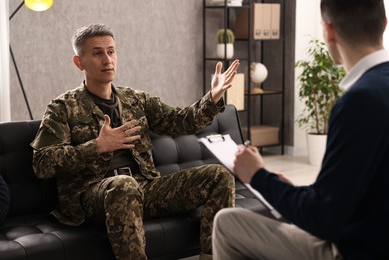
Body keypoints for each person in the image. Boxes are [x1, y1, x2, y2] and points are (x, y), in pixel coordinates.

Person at [31, 23, 239, 260]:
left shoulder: (136, 99)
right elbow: (42, 163)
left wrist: (212, 98)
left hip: (144, 187)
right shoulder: (62, 108)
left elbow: (181, 122)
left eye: (111, 51)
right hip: (91, 198)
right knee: (122, 185)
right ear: (79, 62)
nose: (107, 59)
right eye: (97, 53)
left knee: (219, 176)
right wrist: (96, 147)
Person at [212, 0, 389, 259]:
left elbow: (322, 219)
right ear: (384, 25)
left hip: (357, 250)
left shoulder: (359, 101)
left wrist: (258, 176)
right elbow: (356, 191)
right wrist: (299, 193)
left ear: (328, 31)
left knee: (227, 223)